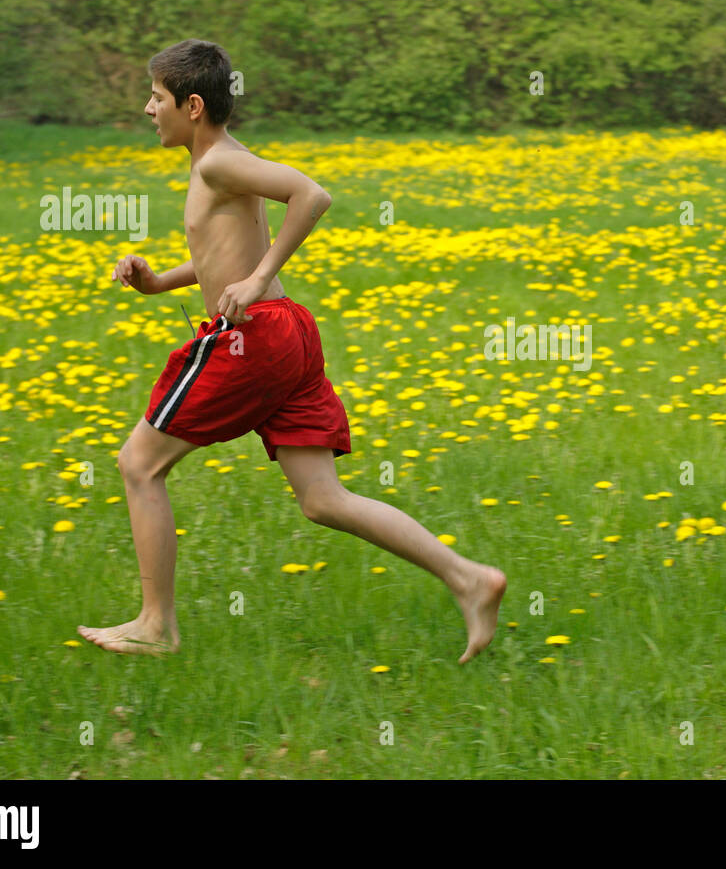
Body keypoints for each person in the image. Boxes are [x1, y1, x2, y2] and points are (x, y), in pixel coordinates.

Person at [78, 39, 506, 663]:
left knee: (139, 466)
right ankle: (471, 578)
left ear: (192, 106)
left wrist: (252, 282)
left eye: (156, 97)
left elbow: (312, 195)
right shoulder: (220, 163)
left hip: (255, 337)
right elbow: (221, 255)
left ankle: (155, 625)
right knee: (323, 500)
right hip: (286, 337)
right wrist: (157, 283)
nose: (148, 109)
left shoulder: (218, 164)